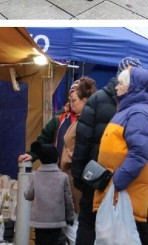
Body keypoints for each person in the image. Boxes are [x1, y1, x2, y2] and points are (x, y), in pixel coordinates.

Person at [72, 56, 141, 245]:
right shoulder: (144, 106)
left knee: (88, 226)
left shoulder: (96, 99)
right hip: (125, 183)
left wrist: (79, 177)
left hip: (95, 178)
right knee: (116, 232)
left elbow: (82, 142)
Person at [93, 66, 148, 245]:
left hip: (125, 194)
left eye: (121, 83)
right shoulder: (128, 111)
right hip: (117, 192)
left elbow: (139, 154)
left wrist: (117, 182)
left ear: (133, 87)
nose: (116, 87)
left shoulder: (138, 113)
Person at [25, 141, 75, 245]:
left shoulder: (35, 176)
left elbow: (28, 195)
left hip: (39, 222)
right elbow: (68, 200)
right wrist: (70, 217)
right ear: (56, 159)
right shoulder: (63, 177)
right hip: (56, 221)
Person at [60, 77, 97, 215]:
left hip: (76, 180)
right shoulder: (78, 120)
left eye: (74, 100)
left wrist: (69, 157)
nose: (71, 103)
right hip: (70, 178)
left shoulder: (85, 122)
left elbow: (84, 151)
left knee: (74, 222)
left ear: (84, 100)